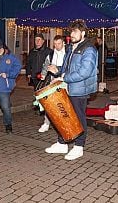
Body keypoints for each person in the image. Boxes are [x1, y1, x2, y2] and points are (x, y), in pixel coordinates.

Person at [45, 19, 98, 161]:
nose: (72, 34)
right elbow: (67, 69)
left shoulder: (89, 49)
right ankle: (62, 143)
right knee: (64, 116)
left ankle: (79, 146)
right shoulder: (71, 47)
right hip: (68, 87)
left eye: (75, 31)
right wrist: (57, 71)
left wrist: (64, 78)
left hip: (80, 89)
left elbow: (84, 72)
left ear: (83, 32)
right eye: (71, 31)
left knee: (79, 118)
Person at [38, 35, 66, 133]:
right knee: (50, 103)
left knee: (64, 105)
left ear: (63, 43)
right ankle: (46, 123)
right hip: (53, 81)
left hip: (65, 82)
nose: (57, 46)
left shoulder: (68, 54)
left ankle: (64, 124)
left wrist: (57, 69)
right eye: (55, 44)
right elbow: (46, 65)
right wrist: (43, 75)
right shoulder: (51, 54)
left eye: (59, 43)